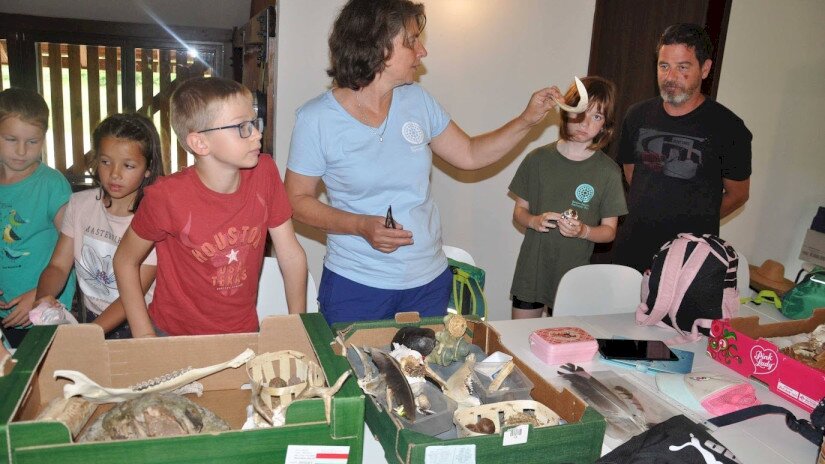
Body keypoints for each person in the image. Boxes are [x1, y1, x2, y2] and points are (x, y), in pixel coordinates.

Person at [285, 0, 559, 326]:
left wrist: (527, 120)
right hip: (356, 285)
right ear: (378, 46)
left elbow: (470, 153)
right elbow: (295, 200)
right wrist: (359, 225)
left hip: (428, 283)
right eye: (412, 41)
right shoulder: (317, 119)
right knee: (354, 376)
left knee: (427, 375)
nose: (422, 52)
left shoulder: (417, 100)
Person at [113, 77, 307, 337]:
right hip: (173, 336)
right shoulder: (166, 197)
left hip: (242, 333)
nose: (257, 134)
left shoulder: (265, 173)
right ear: (200, 143)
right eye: (242, 126)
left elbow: (291, 255)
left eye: (254, 122)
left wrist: (298, 324)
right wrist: (144, 337)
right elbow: (125, 260)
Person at [614, 23, 752, 273]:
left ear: (705, 69)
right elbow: (631, 172)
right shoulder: (636, 116)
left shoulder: (730, 129)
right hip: (632, 248)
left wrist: (697, 221)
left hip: (690, 259)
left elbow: (738, 194)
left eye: (683, 67)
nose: (670, 77)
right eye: (664, 66)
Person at [33, 113, 163, 339]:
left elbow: (131, 297)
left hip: (139, 321)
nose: (115, 174)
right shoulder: (80, 204)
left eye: (129, 165)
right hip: (92, 318)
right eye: (105, 162)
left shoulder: (154, 217)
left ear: (148, 169)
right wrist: (43, 298)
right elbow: (58, 267)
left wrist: (88, 335)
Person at [509, 77, 628, 319]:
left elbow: (609, 231)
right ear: (566, 112)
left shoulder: (608, 172)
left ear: (605, 125)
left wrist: (583, 231)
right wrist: (534, 221)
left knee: (563, 346)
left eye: (597, 116)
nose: (586, 123)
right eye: (581, 112)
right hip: (532, 272)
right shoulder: (537, 159)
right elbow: (519, 212)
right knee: (519, 343)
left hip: (573, 279)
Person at [0, 88, 75, 348]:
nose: (21, 151)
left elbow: (74, 246)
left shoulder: (52, 185)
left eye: (32, 142)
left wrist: (39, 294)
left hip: (41, 312)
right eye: (11, 139)